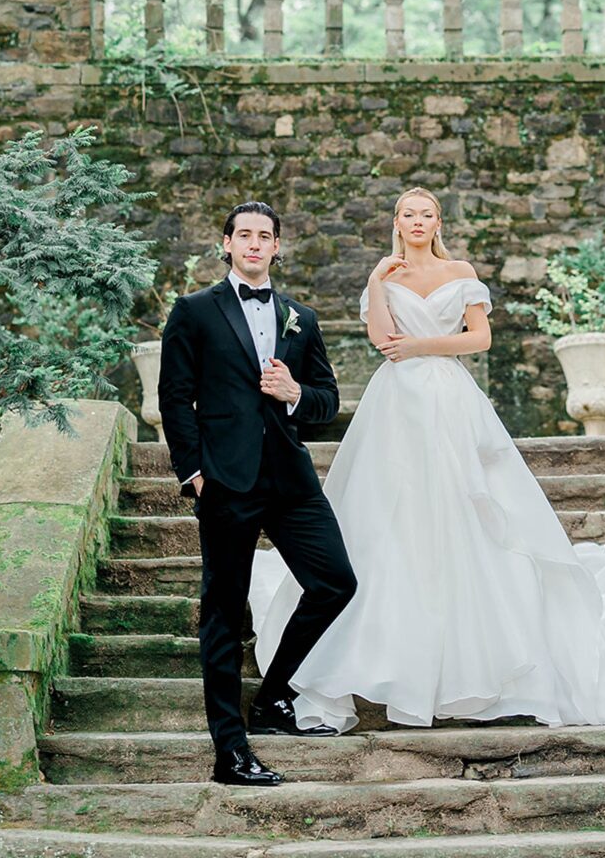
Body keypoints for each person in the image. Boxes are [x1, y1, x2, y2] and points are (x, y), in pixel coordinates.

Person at [250, 186, 605, 733]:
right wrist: (376, 281)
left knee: (465, 505)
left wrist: (419, 347)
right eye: (408, 214)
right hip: (395, 402)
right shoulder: (386, 277)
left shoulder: (461, 270)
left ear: (437, 223)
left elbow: (480, 338)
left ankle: (473, 663)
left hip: (447, 396)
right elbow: (379, 338)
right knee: (385, 513)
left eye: (426, 214)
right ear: (396, 222)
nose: (417, 221)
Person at [158, 200, 356, 787]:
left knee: (336, 582)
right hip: (225, 481)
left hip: (290, 482)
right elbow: (175, 396)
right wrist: (192, 471)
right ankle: (230, 751)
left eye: (264, 236)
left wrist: (294, 391)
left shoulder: (302, 317)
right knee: (222, 611)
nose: (253, 244)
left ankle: (273, 699)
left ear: (276, 247)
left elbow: (327, 400)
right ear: (226, 244)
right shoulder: (194, 311)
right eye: (243, 234)